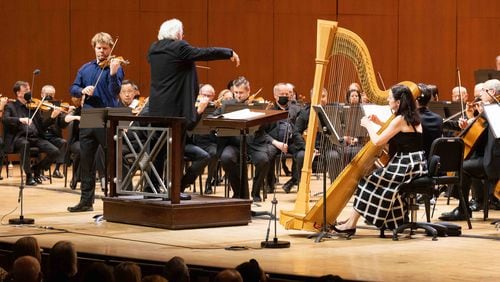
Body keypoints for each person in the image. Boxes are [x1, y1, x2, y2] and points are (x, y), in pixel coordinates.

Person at [147, 18, 239, 198]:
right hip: (175, 110)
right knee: (175, 151)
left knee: (157, 150)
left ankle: (151, 189)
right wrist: (229, 52)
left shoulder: (154, 49)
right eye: (182, 33)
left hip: (157, 108)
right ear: (178, 34)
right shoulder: (179, 47)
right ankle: (173, 191)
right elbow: (204, 52)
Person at [332, 84, 427, 236]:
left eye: (390, 98)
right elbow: (402, 134)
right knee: (377, 181)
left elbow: (377, 142)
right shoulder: (412, 118)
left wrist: (368, 125)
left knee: (368, 181)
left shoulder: (399, 119)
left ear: (398, 102)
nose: (388, 100)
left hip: (405, 165)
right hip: (416, 163)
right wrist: (380, 123)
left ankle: (351, 224)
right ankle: (357, 221)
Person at [68, 32, 125, 212]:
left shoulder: (115, 67)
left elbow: (114, 91)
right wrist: (82, 90)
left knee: (111, 159)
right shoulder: (85, 68)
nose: (102, 51)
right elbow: (73, 88)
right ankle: (86, 201)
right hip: (88, 116)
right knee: (86, 160)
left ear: (110, 49)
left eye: (105, 48)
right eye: (99, 48)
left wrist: (114, 73)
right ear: (94, 48)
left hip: (106, 116)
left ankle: (116, 198)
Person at [439, 79, 500, 220]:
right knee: (464, 162)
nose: (479, 96)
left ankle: (463, 209)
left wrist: (481, 115)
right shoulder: (489, 109)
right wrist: (470, 120)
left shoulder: (494, 109)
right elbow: (481, 136)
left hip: (494, 160)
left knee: (462, 166)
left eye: (482, 92)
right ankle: (465, 206)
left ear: (491, 92)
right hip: (489, 155)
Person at [3, 81, 60, 185]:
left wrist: (52, 117)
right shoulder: (11, 106)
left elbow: (42, 125)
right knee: (25, 144)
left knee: (55, 151)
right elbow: (5, 119)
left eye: (29, 90)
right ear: (18, 93)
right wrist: (20, 119)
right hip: (19, 138)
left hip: (35, 138)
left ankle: (36, 169)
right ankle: (29, 176)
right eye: (26, 90)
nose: (29, 92)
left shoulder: (33, 106)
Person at [40, 84, 69, 179]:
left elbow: (62, 125)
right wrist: (52, 117)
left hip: (53, 136)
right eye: (47, 94)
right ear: (41, 94)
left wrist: (66, 117)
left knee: (63, 143)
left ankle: (56, 169)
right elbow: (41, 125)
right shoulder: (37, 107)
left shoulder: (56, 106)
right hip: (41, 135)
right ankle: (39, 170)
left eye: (52, 94)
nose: (49, 96)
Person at [416, 83, 443, 158]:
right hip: (433, 162)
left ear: (415, 101)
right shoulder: (439, 119)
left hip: (418, 163)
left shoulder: (413, 119)